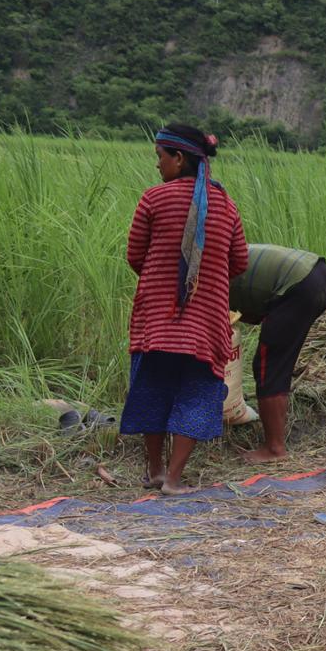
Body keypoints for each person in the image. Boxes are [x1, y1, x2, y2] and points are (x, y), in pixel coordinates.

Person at [120, 124, 248, 495]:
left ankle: (155, 472)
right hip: (204, 324)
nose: (157, 165)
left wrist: (163, 276)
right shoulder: (225, 204)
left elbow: (135, 257)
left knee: (152, 389)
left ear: (178, 158)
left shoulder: (153, 200)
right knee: (195, 392)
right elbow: (239, 261)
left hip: (156, 320)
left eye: (160, 157)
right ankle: (174, 480)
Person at [229, 244, 326, 464]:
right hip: (320, 275)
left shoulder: (202, 282)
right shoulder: (221, 261)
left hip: (299, 285)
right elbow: (252, 306)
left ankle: (274, 449)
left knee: (268, 366)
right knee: (277, 362)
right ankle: (274, 442)